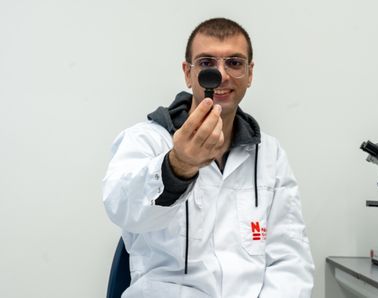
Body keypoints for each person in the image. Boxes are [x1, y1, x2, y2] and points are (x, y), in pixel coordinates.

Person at [102, 18, 314, 297]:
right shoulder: (146, 140)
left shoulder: (269, 154)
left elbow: (290, 258)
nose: (221, 76)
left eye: (235, 64)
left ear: (250, 74)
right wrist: (177, 165)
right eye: (206, 64)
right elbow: (121, 207)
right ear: (187, 73)